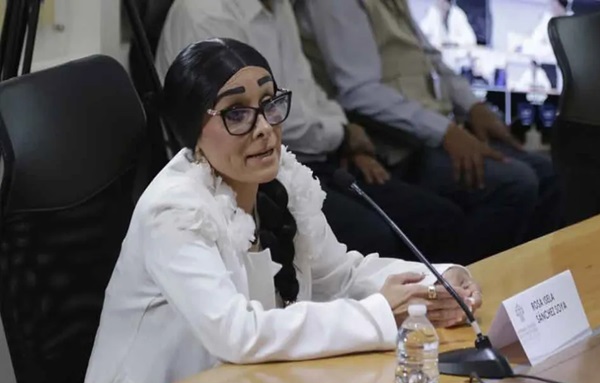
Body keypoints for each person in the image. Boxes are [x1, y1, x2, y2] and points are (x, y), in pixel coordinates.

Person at [83, 38, 482, 383]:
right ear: (192, 130)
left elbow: (340, 276)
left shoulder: (282, 179)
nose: (264, 128)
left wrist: (436, 281)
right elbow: (237, 334)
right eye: (236, 113)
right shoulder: (172, 210)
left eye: (270, 104)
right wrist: (380, 313)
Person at [156, 0, 477, 264]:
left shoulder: (279, 6)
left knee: (437, 217)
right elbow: (258, 120)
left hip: (301, 159)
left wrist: (345, 132)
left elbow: (307, 92)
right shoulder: (205, 13)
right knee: (375, 236)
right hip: (245, 175)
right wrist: (342, 135)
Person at [295, 0, 563, 262]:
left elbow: (429, 56)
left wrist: (473, 106)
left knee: (550, 174)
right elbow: (359, 91)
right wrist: (446, 132)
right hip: (393, 145)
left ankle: (535, 282)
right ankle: (469, 283)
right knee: (515, 184)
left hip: (431, 128)